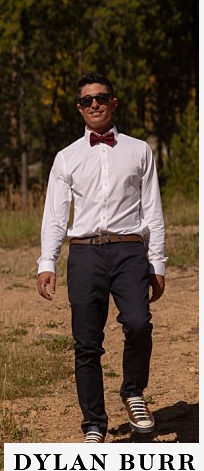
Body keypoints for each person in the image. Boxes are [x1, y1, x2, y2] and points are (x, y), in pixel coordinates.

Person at [37, 71, 166, 443]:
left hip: (129, 250)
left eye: (101, 97)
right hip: (85, 254)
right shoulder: (67, 158)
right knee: (86, 342)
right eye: (86, 100)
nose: (94, 104)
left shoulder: (140, 150)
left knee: (139, 323)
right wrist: (47, 263)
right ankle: (94, 421)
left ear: (113, 102)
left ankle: (132, 391)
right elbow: (56, 216)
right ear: (79, 108)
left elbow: (153, 211)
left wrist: (157, 263)